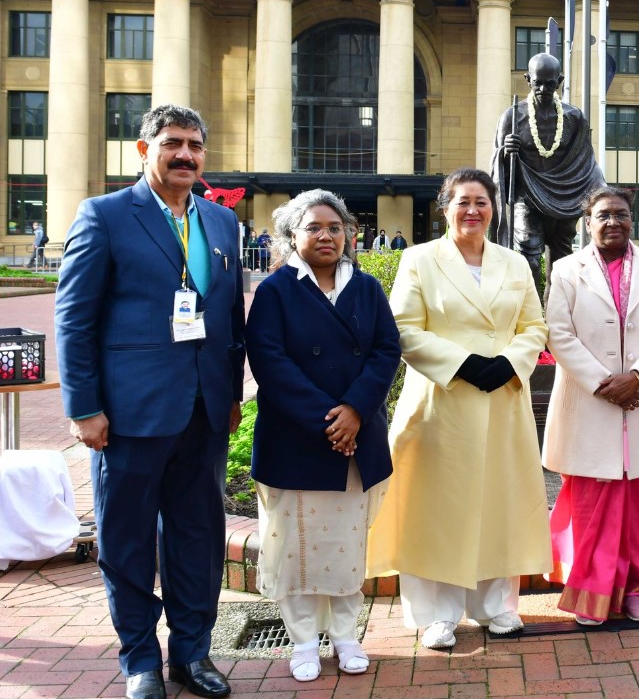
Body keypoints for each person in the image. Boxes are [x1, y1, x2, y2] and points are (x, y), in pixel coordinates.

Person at [54, 104, 245, 699]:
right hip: (129, 417)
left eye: (195, 145)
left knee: (197, 539)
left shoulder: (220, 224)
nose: (185, 155)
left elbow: (229, 317)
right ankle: (140, 659)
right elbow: (73, 318)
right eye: (172, 144)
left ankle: (192, 654)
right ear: (144, 150)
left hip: (204, 413)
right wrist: (84, 407)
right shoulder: (105, 216)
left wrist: (233, 395)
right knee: (128, 541)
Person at [366, 168, 551, 650]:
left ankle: (496, 606)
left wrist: (509, 363)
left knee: (498, 503)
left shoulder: (514, 264)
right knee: (436, 508)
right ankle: (435, 615)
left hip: (501, 398)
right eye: (463, 201)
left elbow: (534, 326)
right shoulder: (419, 259)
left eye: (482, 201)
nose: (473, 210)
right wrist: (463, 364)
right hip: (441, 400)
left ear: (494, 209)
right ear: (445, 208)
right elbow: (403, 328)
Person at [246, 190, 401, 682]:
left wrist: (355, 410)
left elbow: (385, 350)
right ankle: (303, 642)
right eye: (313, 227)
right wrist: (329, 420)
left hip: (358, 436)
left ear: (348, 234)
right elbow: (270, 362)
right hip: (297, 438)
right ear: (293, 235)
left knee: (346, 545)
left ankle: (347, 635)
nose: (326, 236)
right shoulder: (275, 291)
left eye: (335, 227)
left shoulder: (368, 289)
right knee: (296, 547)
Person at [542, 186, 639, 625]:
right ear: (588, 221)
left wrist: (637, 376)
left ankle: (638, 589)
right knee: (589, 505)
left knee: (635, 506)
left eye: (621, 214)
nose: (613, 223)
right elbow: (558, 333)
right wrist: (605, 384)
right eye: (603, 215)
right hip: (589, 403)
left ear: (632, 218)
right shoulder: (567, 269)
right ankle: (591, 590)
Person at [491, 52, 606, 294]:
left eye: (550, 83)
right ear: (527, 79)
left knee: (563, 263)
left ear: (559, 81)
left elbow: (585, 160)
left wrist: (602, 194)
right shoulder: (512, 116)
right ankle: (530, 316)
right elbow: (497, 165)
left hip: (565, 197)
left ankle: (557, 317)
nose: (543, 88)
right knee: (528, 257)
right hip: (527, 198)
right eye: (537, 82)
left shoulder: (574, 118)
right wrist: (505, 152)